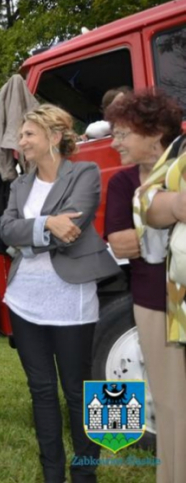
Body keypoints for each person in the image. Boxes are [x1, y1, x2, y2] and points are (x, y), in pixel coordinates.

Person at [0, 104, 119, 483]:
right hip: (24, 299)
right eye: (21, 135)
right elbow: (6, 230)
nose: (21, 141)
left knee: (79, 392)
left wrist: (30, 233)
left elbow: (73, 227)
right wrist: (46, 225)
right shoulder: (19, 184)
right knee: (41, 391)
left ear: (53, 136)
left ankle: (85, 474)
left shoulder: (85, 172)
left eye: (28, 134)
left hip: (71, 299)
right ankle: (52, 473)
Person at [109, 91, 186, 483]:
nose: (114, 142)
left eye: (123, 133)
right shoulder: (125, 182)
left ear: (154, 134)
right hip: (155, 301)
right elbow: (121, 242)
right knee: (170, 402)